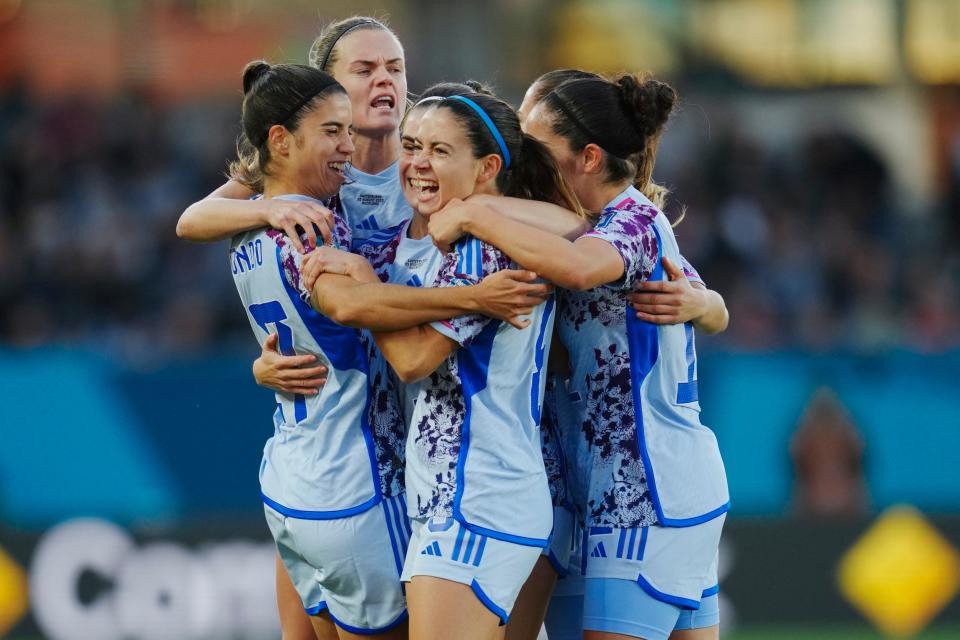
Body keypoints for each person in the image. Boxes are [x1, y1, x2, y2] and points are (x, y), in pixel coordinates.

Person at [226, 62, 551, 640]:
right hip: (364, 481)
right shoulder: (322, 226)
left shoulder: (248, 229)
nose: (348, 148)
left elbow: (398, 345)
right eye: (334, 131)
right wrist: (471, 297)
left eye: (438, 150)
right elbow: (356, 312)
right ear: (281, 138)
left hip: (448, 488)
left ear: (487, 168)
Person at [427, 73, 730, 640]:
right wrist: (708, 303)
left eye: (536, 146)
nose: (520, 157)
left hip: (643, 492)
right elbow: (711, 309)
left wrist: (475, 214)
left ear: (589, 157)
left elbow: (581, 269)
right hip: (618, 492)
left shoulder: (631, 221)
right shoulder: (584, 224)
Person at [300, 92, 576, 640]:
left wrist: (363, 282)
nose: (417, 163)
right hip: (447, 493)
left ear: (487, 168)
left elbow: (413, 358)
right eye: (411, 146)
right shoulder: (408, 241)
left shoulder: (483, 247)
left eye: (439, 150)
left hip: (477, 493)